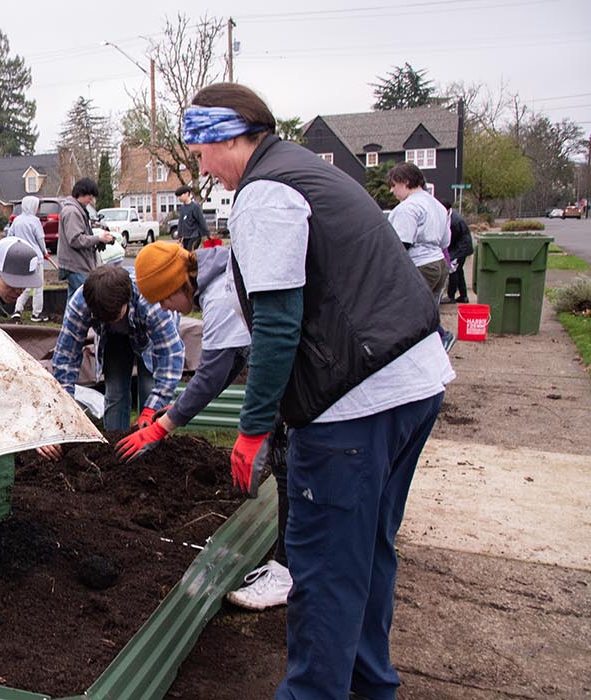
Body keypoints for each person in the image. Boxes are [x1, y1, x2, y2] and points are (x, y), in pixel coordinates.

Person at [185, 82, 453, 700]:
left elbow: (278, 324)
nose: (200, 165)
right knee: (367, 555)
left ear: (228, 135)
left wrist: (253, 430)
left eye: (201, 149)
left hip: (354, 402)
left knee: (326, 569)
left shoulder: (265, 194)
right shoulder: (302, 169)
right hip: (410, 378)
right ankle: (368, 687)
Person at [117, 241, 292, 611]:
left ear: (179, 286)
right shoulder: (216, 272)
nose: (166, 309)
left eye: (164, 300)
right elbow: (230, 364)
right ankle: (288, 564)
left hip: (303, 377)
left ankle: (288, 572)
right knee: (287, 466)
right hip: (294, 372)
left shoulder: (219, 296)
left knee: (291, 469)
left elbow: (212, 371)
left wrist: (165, 424)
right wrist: (177, 409)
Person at [37, 263, 184, 461]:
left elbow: (170, 355)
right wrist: (63, 413)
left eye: (115, 316)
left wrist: (152, 408)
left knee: (150, 391)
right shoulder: (81, 303)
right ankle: (114, 452)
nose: (111, 320)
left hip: (150, 339)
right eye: (103, 318)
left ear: (127, 300)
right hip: (114, 339)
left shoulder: (152, 302)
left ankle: (151, 452)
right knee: (115, 393)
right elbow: (66, 358)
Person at [387, 162, 453, 349]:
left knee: (407, 311)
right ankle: (432, 344)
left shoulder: (408, 208)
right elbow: (445, 241)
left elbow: (401, 244)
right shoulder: (438, 206)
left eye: (394, 185)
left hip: (420, 264)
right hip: (439, 263)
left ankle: (440, 336)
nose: (392, 191)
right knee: (427, 310)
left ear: (406, 181)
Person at [56, 178, 116, 300]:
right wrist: (98, 238)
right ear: (82, 193)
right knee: (89, 299)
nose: (91, 200)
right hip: (76, 266)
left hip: (76, 265)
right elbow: (75, 240)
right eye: (90, 196)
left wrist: (98, 240)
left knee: (73, 301)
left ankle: (70, 319)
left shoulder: (76, 210)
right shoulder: (72, 212)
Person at [6, 195, 50, 322]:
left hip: (21, 257)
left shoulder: (17, 220)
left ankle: (17, 310)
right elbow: (40, 239)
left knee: (24, 284)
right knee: (38, 286)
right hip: (35, 257)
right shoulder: (34, 221)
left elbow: (10, 236)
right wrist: (45, 252)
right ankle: (36, 313)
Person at [443, 199, 473, 304]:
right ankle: (463, 296)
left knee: (453, 270)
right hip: (461, 247)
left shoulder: (454, 221)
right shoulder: (451, 216)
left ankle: (451, 296)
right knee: (459, 271)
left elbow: (451, 239)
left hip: (461, 248)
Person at [174, 186, 210, 252]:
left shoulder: (195, 207)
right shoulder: (182, 208)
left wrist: (207, 234)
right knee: (184, 254)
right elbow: (181, 222)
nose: (179, 198)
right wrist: (180, 235)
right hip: (186, 236)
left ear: (187, 194)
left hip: (195, 235)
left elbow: (201, 221)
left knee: (190, 253)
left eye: (180, 195)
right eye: (178, 196)